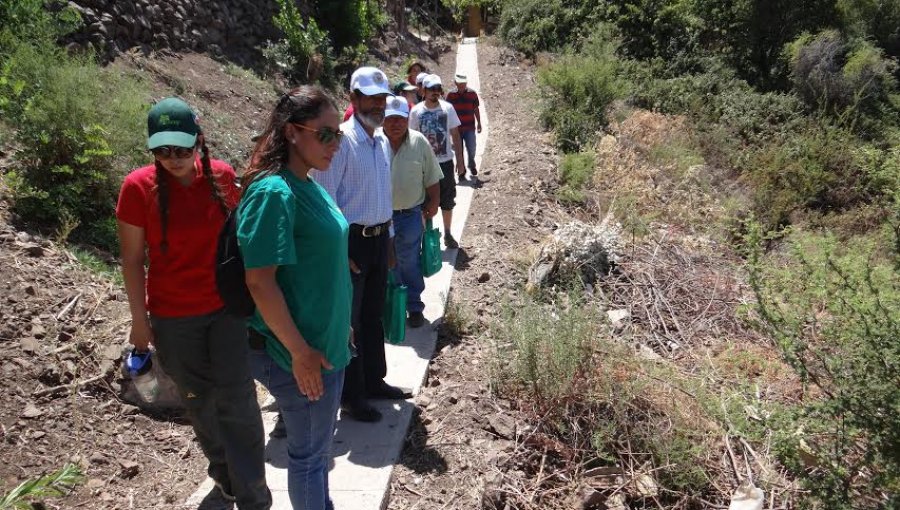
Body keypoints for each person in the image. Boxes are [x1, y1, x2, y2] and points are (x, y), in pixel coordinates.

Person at [116, 98, 271, 509]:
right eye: (163, 151)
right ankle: (224, 471)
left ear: (199, 141)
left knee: (238, 401)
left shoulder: (221, 177)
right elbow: (133, 260)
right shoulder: (137, 188)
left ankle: (255, 497)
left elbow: (247, 243)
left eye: (182, 149)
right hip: (171, 318)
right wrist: (139, 322)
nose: (173, 159)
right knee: (199, 404)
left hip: (225, 311)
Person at [236, 86, 350, 510]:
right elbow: (259, 282)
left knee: (318, 454)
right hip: (298, 355)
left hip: (324, 344)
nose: (335, 144)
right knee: (307, 457)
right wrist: (300, 352)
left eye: (338, 134)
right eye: (325, 134)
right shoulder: (275, 193)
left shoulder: (309, 184)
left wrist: (342, 323)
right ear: (291, 133)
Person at [311, 67, 411, 423]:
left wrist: (391, 242)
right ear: (353, 99)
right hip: (350, 241)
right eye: (369, 97)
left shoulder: (381, 141)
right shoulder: (341, 142)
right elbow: (324, 201)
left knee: (372, 316)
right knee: (349, 323)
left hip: (379, 237)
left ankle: (374, 382)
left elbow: (383, 196)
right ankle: (352, 397)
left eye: (382, 98)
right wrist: (339, 253)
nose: (378, 105)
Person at [379, 96, 442, 328]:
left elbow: (432, 177)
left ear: (407, 119)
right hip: (380, 217)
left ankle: (414, 305)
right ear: (382, 120)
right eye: (390, 119)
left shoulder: (419, 142)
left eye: (400, 119)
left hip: (410, 215)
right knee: (386, 262)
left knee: (408, 261)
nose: (395, 124)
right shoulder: (375, 143)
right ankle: (392, 306)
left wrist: (434, 201)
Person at [409, 74, 466, 249]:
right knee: (425, 202)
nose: (435, 93)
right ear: (423, 91)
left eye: (438, 89)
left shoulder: (448, 108)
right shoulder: (416, 112)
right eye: (432, 89)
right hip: (424, 165)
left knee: (447, 199)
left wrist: (461, 161)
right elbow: (411, 139)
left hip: (445, 162)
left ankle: (448, 233)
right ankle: (427, 237)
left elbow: (455, 135)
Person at [445, 73, 482, 179]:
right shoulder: (450, 95)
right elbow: (447, 111)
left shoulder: (472, 94)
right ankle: (462, 171)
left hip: (469, 127)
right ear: (455, 83)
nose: (462, 85)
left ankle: (471, 164)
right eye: (460, 83)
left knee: (472, 148)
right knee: (458, 150)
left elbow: (476, 109)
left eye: (464, 83)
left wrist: (479, 123)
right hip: (456, 129)